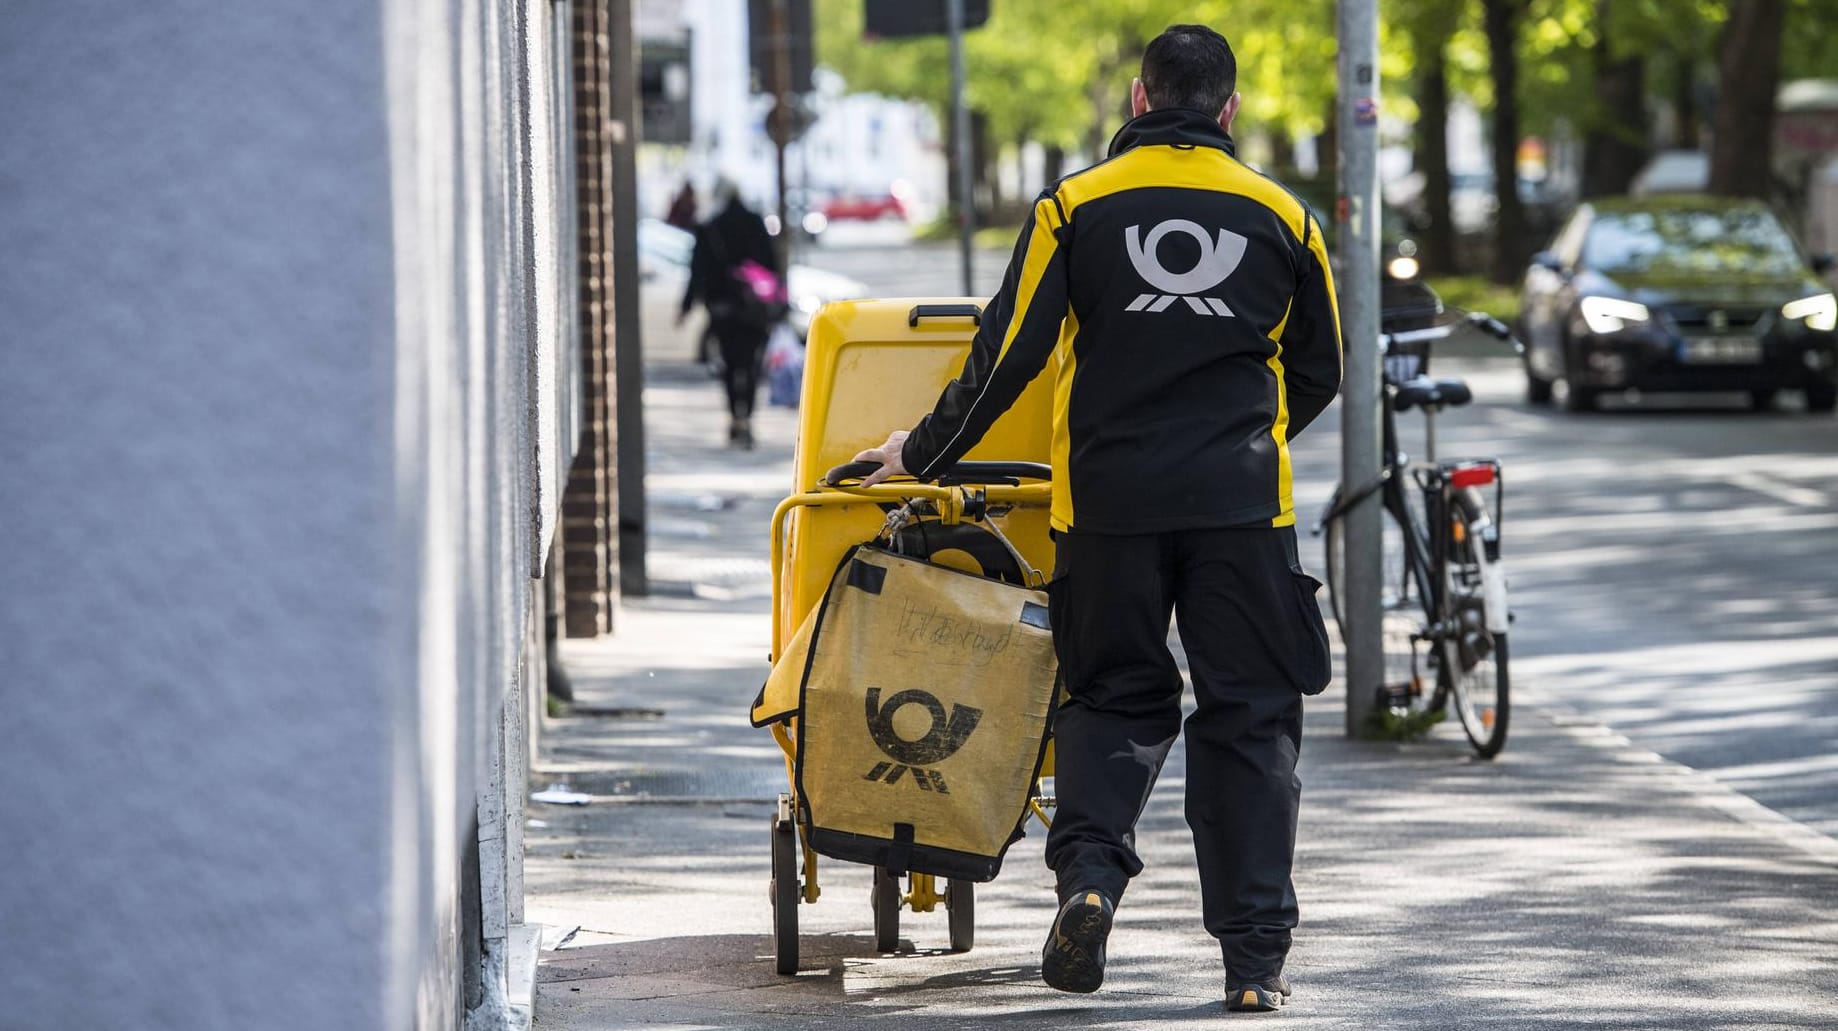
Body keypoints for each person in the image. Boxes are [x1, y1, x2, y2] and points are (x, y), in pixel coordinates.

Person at [852, 24, 1342, 1012]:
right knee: (1249, 717)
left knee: (1112, 697)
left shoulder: (1074, 207)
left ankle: (1088, 880)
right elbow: (1319, 369)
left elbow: (1005, 355)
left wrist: (922, 451)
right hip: (1243, 511)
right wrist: (1246, 438)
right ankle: (1251, 966)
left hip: (1107, 507)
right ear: (1227, 110)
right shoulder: (1284, 216)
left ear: (1136, 99)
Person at [680, 177, 783, 448]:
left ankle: (734, 418)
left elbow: (697, 271)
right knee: (750, 364)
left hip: (722, 309)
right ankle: (747, 417)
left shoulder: (710, 226)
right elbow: (772, 264)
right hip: (754, 308)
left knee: (728, 365)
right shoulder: (755, 222)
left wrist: (686, 306)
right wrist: (779, 302)